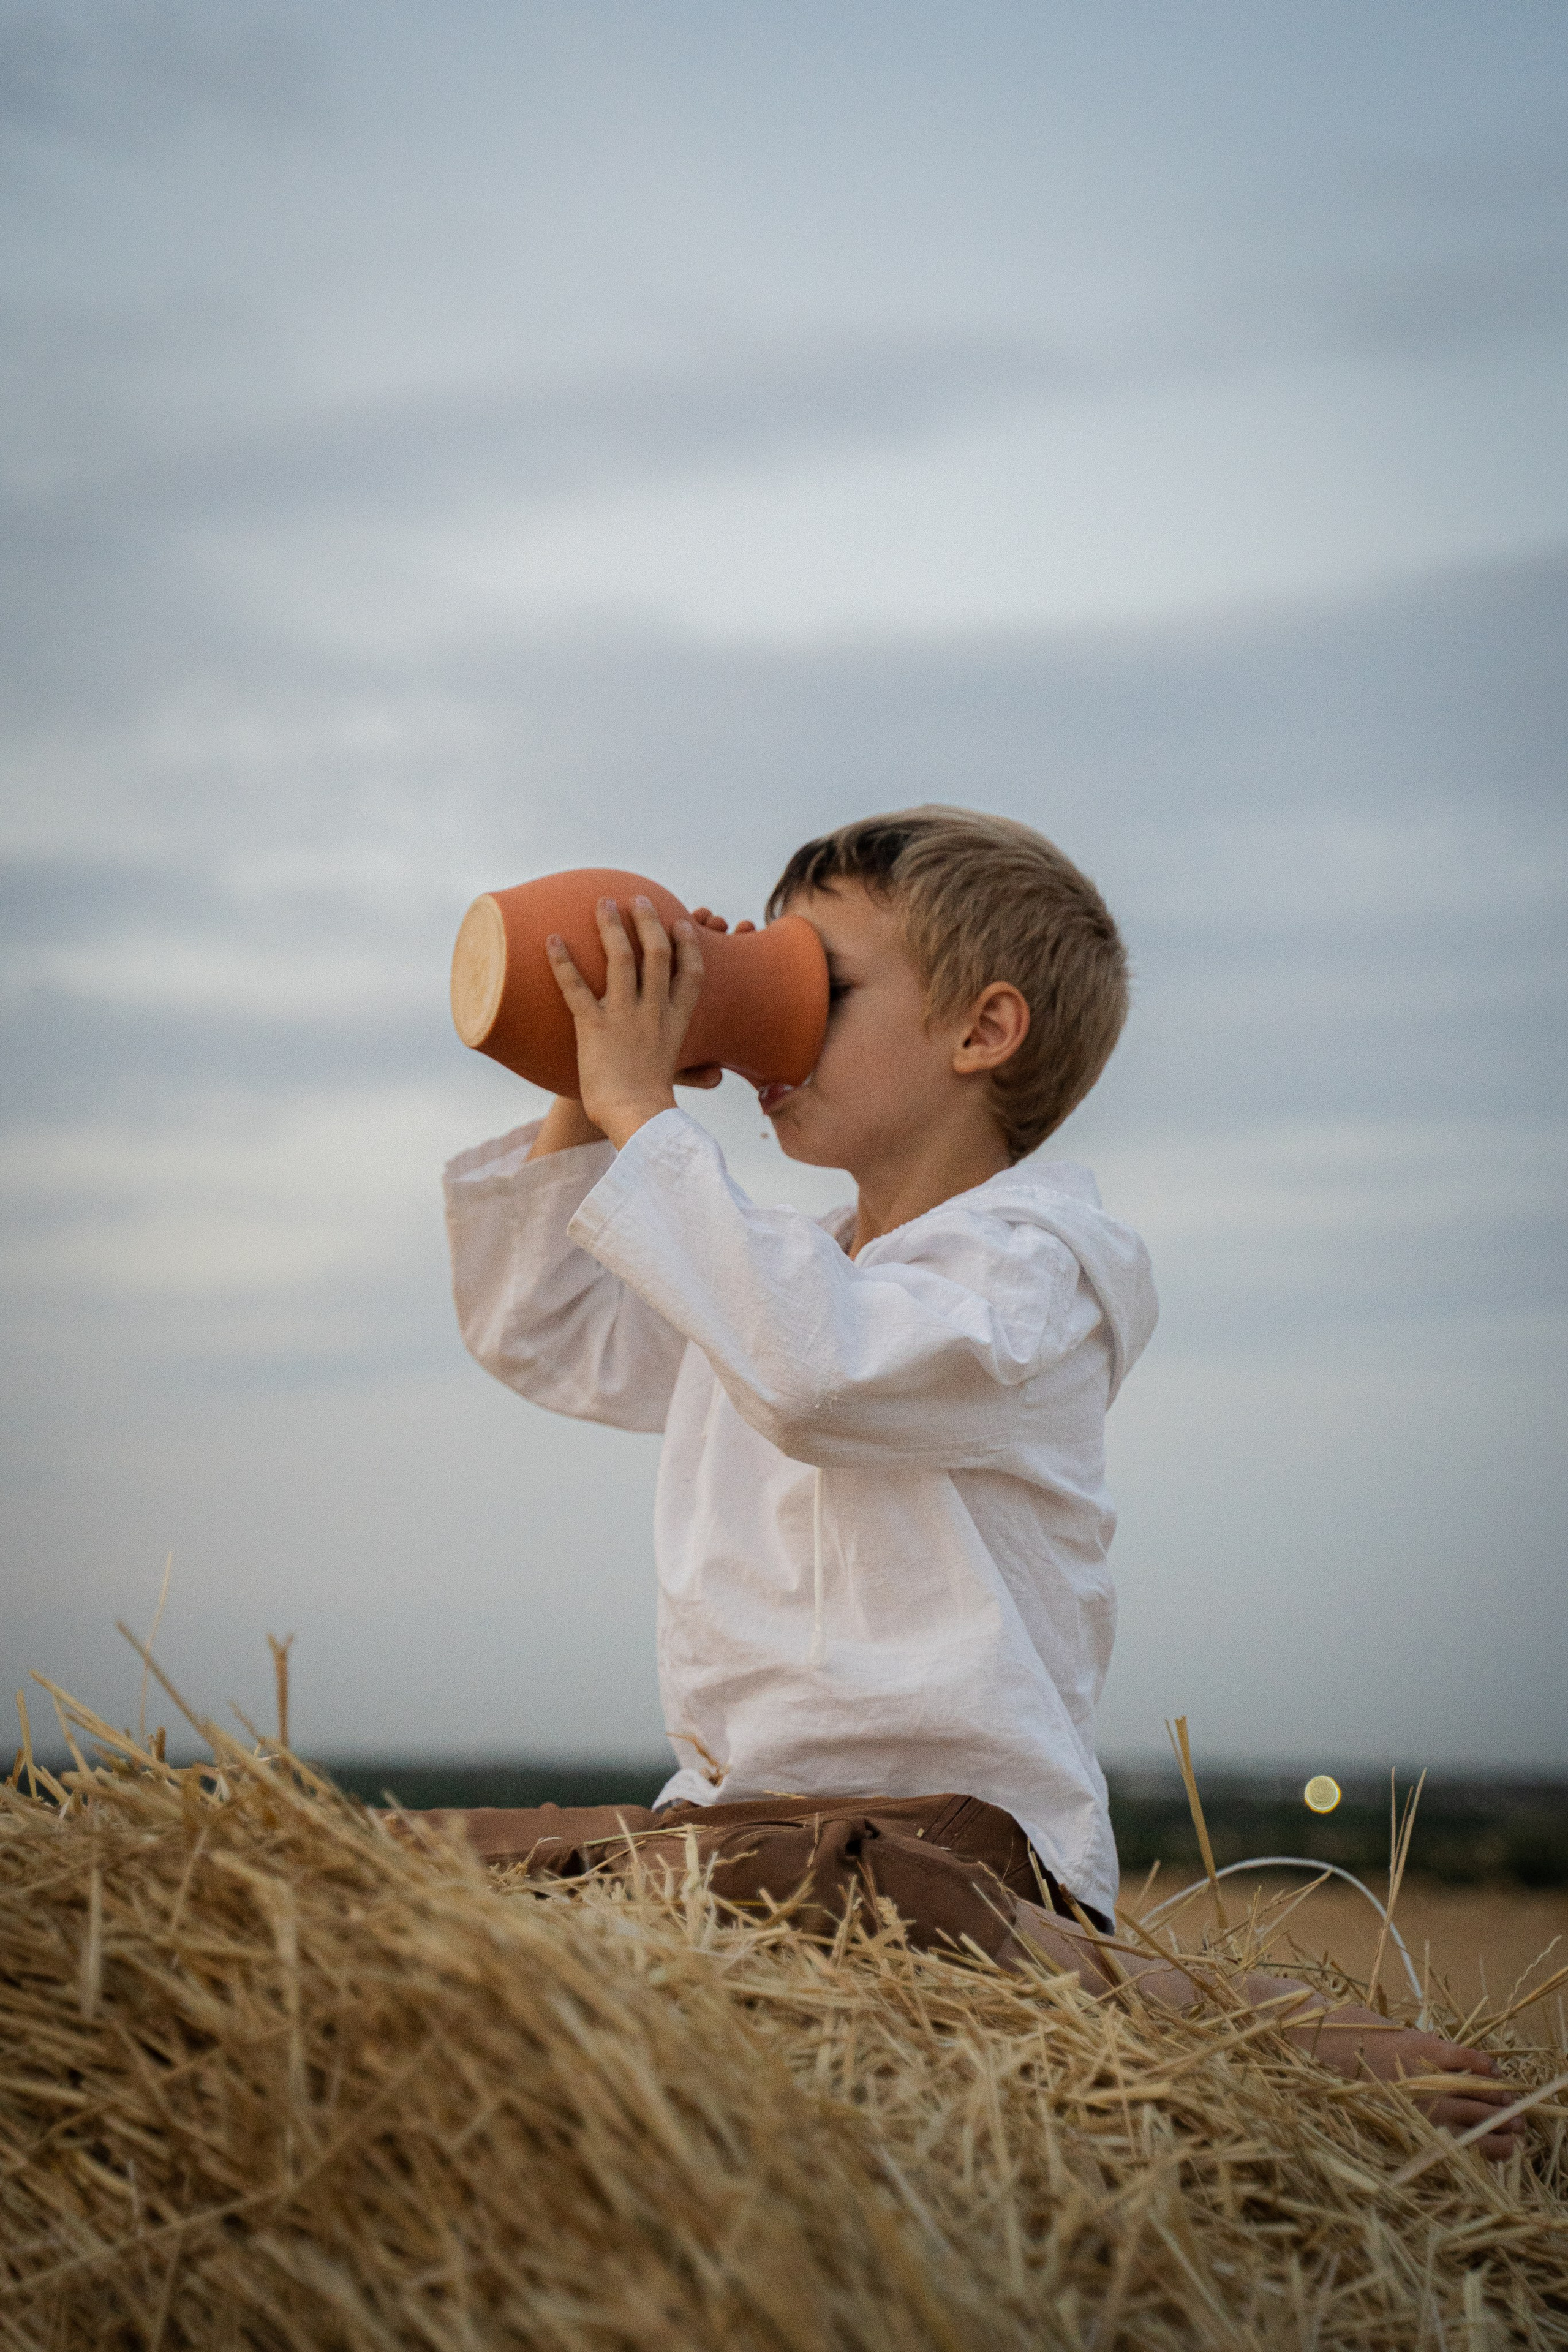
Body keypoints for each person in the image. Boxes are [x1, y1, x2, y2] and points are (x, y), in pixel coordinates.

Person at [437, 807, 1521, 2157]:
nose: (772, 1013)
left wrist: (643, 1112)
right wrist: (585, 1063)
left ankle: (1239, 2015)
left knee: (829, 1897)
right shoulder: (776, 1267)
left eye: (814, 984)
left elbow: (817, 1372)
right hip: (731, 1837)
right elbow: (544, 1330)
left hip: (953, 1852)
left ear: (981, 1032)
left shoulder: (1032, 1272)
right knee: (435, 1867)